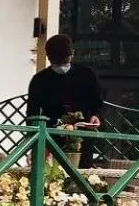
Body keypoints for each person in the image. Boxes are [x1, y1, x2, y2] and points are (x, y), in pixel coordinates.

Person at [26, 34, 103, 165]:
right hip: (51, 137)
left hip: (83, 136)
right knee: (52, 178)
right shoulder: (39, 80)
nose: (61, 66)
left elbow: (97, 102)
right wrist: (38, 143)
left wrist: (96, 115)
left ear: (72, 54)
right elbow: (32, 114)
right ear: (49, 58)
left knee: (82, 174)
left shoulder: (87, 75)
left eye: (65, 61)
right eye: (57, 62)